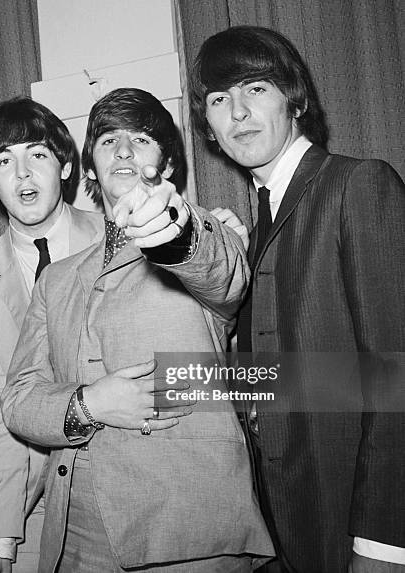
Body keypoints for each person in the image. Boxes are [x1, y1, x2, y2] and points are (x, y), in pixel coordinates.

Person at [1, 87, 274, 572]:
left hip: (187, 530)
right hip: (76, 537)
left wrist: (174, 229)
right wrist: (89, 403)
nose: (124, 150)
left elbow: (222, 274)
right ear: (88, 169)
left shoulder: (208, 233)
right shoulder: (56, 279)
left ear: (167, 166)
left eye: (142, 139)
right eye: (108, 140)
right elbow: (18, 400)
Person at [190, 25, 405, 573]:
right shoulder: (249, 224)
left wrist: (382, 543)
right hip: (279, 518)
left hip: (350, 517)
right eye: (219, 99)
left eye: (255, 88)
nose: (237, 112)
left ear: (294, 99)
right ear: (209, 130)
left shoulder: (359, 185)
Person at [0, 97, 103, 573]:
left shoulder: (117, 236)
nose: (21, 174)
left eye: (36, 154)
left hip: (129, 485)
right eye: (3, 161)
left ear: (64, 166)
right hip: (36, 504)